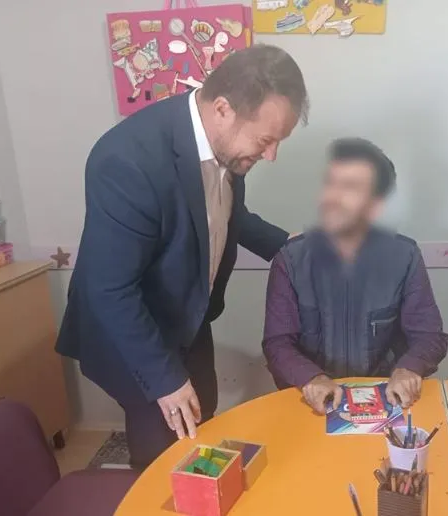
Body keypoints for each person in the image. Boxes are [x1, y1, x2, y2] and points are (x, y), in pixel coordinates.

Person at [56, 45, 309, 469]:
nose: (271, 156)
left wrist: (289, 246)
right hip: (131, 329)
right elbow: (109, 290)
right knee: (165, 450)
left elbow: (226, 214)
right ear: (223, 109)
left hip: (186, 317)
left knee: (202, 416)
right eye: (265, 140)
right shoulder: (127, 160)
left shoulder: (226, 148)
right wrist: (165, 381)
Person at [262, 138, 448, 414]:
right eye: (330, 184)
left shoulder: (405, 257)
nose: (333, 197)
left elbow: (429, 335)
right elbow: (277, 343)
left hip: (387, 403)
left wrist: (409, 369)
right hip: (313, 406)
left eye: (350, 187)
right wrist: (311, 378)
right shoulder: (291, 259)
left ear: (377, 204)